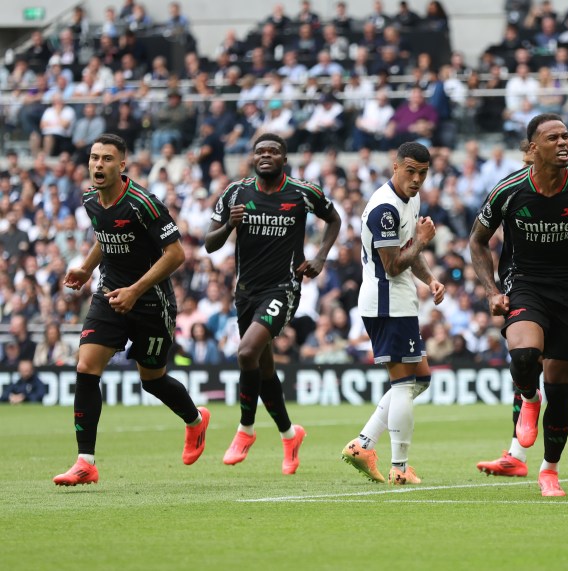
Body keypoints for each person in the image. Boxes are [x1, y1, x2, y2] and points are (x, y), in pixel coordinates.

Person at [469, 114, 568, 496]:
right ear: (533, 149)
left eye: (566, 136)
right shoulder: (509, 190)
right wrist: (491, 290)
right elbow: (477, 241)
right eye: (553, 138)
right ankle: (529, 399)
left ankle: (549, 471)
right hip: (525, 286)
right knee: (524, 356)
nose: (563, 143)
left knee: (561, 386)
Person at [53, 133, 210, 486]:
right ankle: (85, 461)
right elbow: (104, 235)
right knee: (86, 366)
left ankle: (195, 420)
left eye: (107, 159)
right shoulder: (90, 199)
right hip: (109, 294)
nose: (98, 164)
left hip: (152, 302)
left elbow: (176, 254)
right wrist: (86, 268)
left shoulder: (144, 203)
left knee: (151, 380)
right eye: (94, 158)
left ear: (122, 165)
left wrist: (136, 291)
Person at [205, 133, 341, 475]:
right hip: (246, 292)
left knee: (247, 352)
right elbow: (209, 243)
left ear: (284, 158)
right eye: (260, 151)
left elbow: (334, 219)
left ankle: (245, 430)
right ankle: (289, 434)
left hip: (283, 288)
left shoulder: (302, 192)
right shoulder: (235, 193)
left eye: (273, 151)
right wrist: (229, 227)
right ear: (252, 158)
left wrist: (321, 257)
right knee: (264, 371)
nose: (266, 155)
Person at [341, 142, 444, 486]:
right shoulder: (383, 209)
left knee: (422, 379)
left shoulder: (410, 199)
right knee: (403, 384)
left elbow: (408, 251)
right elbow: (394, 263)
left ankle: (363, 444)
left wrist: (430, 280)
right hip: (386, 303)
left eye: (423, 173)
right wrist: (423, 239)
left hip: (401, 302)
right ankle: (399, 467)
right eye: (411, 171)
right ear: (395, 166)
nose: (417, 180)